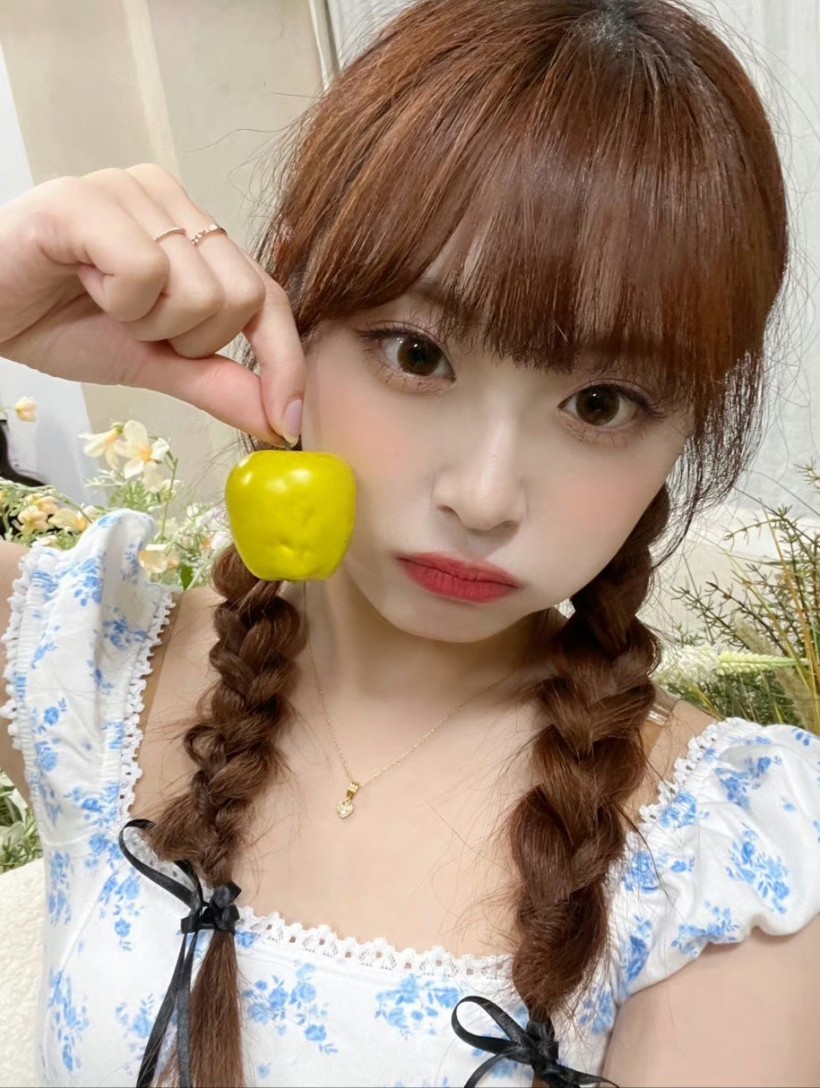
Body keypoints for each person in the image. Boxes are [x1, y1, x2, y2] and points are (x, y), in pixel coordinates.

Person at [0, 0, 818, 1085]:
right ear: (293, 305)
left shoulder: (720, 860)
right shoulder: (90, 664)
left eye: (602, 403)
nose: (482, 497)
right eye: (419, 354)